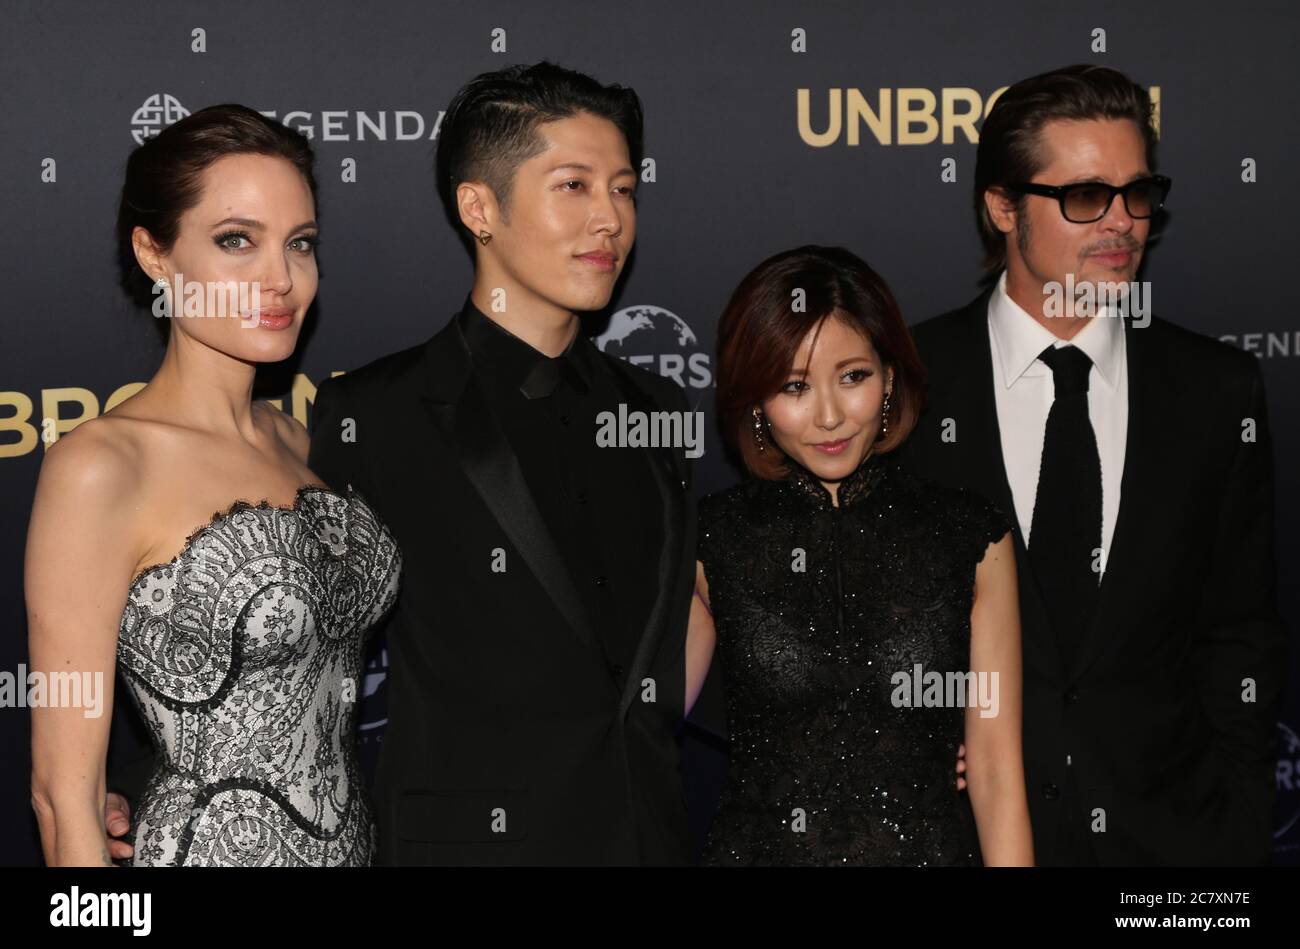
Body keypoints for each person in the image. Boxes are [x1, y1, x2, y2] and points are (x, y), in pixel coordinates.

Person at [894, 64, 1287, 865]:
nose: (1122, 224)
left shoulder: (1214, 389)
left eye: (1138, 193)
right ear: (1002, 207)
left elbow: (1240, 631)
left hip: (1173, 851)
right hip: (957, 840)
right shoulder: (906, 384)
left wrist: (1240, 828)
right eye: (1084, 198)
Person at [306, 62, 696, 864]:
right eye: (574, 186)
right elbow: (303, 654)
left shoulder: (659, 412)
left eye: (623, 189)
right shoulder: (374, 415)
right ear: (479, 207)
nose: (610, 221)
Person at [27, 104, 401, 866]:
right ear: (156, 255)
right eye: (237, 241)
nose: (281, 277)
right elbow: (63, 797)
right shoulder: (101, 466)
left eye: (300, 244)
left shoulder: (301, 442)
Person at [687, 245, 1033, 865]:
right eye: (793, 386)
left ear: (890, 375)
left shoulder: (969, 536)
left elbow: (996, 774)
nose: (828, 416)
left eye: (853, 376)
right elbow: (634, 731)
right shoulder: (714, 542)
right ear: (756, 405)